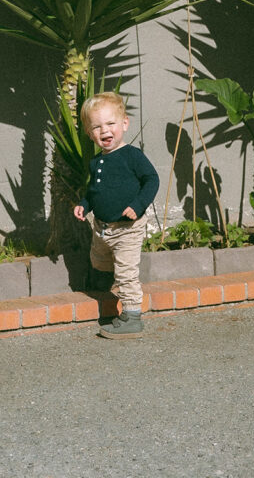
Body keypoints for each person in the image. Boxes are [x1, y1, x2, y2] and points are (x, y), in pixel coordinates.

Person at [74, 91, 159, 339]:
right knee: (99, 261)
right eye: (97, 127)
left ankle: (132, 316)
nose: (105, 131)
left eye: (110, 124)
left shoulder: (132, 155)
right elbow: (94, 191)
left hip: (127, 229)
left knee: (126, 272)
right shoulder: (96, 162)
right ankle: (110, 287)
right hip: (102, 228)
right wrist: (84, 204)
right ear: (90, 134)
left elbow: (151, 179)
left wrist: (139, 204)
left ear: (124, 123)